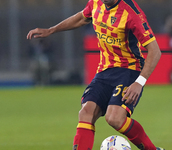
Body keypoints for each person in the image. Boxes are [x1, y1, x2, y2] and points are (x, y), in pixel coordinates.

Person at [27, 0, 164, 149]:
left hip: (129, 71)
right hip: (104, 71)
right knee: (86, 112)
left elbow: (155, 51)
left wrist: (139, 82)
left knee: (115, 118)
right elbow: (81, 17)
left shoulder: (131, 13)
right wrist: (51, 30)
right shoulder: (95, 3)